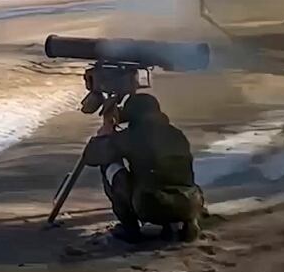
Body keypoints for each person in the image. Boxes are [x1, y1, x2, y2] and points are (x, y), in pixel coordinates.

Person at [82, 93, 204, 243]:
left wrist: (105, 134)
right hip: (190, 204)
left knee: (110, 165)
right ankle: (188, 223)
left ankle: (130, 229)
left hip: (151, 207)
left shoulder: (132, 136)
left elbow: (91, 157)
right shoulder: (176, 134)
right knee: (173, 175)